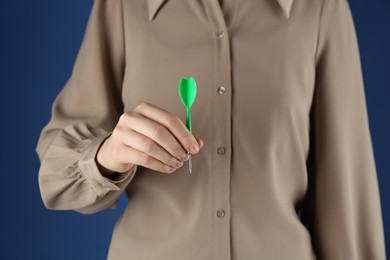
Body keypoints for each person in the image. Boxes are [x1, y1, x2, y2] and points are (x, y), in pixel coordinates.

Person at [36, 0, 386, 259]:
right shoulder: (125, 5)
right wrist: (108, 154)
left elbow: (345, 189)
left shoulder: (321, 8)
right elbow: (56, 177)